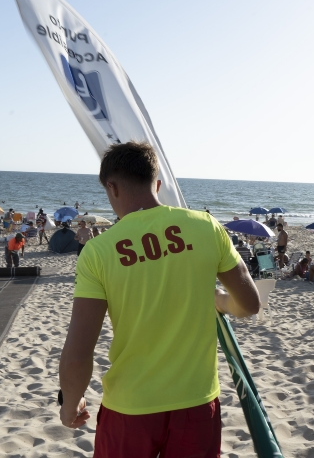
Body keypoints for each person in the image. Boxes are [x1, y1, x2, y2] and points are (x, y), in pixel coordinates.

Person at [58, 142, 259, 456]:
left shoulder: (99, 251)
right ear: (158, 184)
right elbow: (249, 303)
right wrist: (219, 301)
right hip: (196, 402)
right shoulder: (206, 226)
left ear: (111, 187)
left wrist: (70, 405)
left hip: (130, 406)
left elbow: (78, 352)